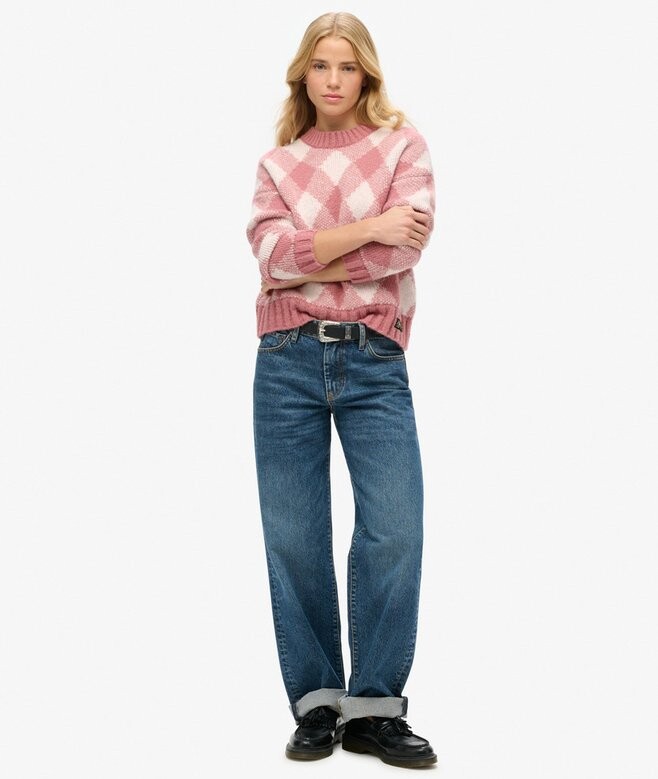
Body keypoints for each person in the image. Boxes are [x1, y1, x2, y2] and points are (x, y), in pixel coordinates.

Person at [245, 11, 437, 769]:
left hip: (374, 357)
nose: (333, 80)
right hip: (285, 358)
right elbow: (270, 255)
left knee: (395, 529)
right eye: (321, 66)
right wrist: (367, 229)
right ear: (304, 74)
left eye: (347, 66)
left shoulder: (402, 146)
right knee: (294, 536)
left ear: (367, 74)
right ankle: (319, 704)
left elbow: (405, 247)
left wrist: (310, 259)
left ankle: (375, 709)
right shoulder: (277, 164)